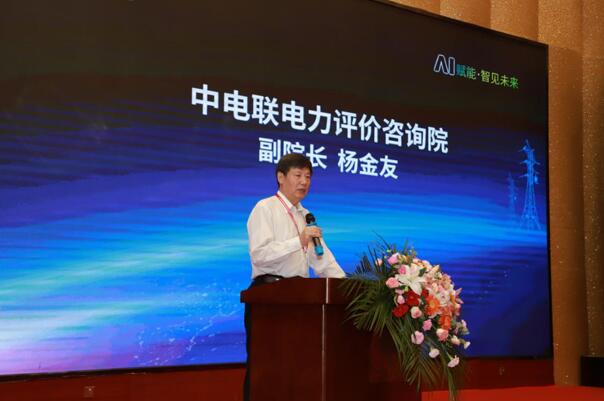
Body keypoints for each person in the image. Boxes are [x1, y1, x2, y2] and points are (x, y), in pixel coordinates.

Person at [243, 153, 345, 401]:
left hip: (299, 301)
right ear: (281, 177)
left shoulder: (306, 216)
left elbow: (323, 261)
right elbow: (260, 255)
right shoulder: (265, 208)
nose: (304, 182)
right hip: (269, 299)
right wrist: (298, 241)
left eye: (308, 176)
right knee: (266, 369)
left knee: (296, 368)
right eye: (298, 175)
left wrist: (348, 287)